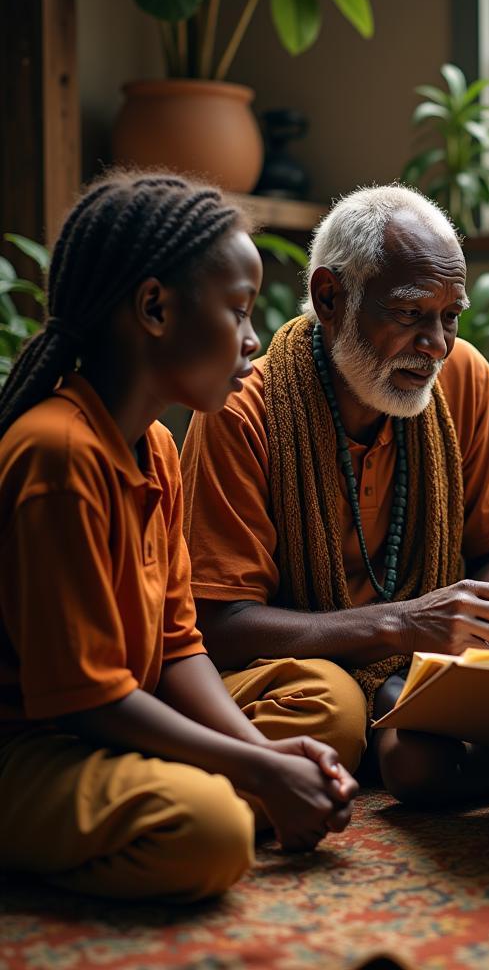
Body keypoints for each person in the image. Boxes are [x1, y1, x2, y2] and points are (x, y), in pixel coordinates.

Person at [0, 171, 357, 902]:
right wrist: (255, 772)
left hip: (115, 716)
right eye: (239, 310)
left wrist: (259, 751)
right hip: (36, 743)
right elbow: (87, 700)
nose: (255, 339)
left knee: (329, 700)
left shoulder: (157, 448)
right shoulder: (58, 455)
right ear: (155, 308)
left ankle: (220, 784)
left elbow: (177, 647)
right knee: (211, 830)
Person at [180, 184, 489, 806]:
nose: (436, 343)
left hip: (426, 659)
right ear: (331, 297)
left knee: (432, 756)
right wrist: (400, 626)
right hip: (303, 666)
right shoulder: (243, 412)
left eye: (449, 316)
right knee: (340, 716)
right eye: (408, 313)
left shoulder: (465, 378)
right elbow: (222, 625)